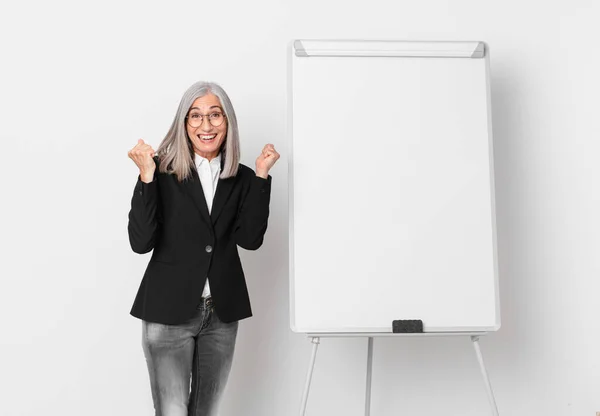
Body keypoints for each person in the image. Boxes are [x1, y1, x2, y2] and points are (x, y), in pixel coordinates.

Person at [127, 81, 279, 416]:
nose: (205, 126)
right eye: (195, 117)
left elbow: (250, 240)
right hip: (168, 314)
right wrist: (146, 179)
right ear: (184, 124)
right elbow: (141, 242)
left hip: (221, 315)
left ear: (228, 122)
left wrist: (263, 177)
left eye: (214, 115)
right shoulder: (162, 172)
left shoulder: (241, 177)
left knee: (205, 412)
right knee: (173, 411)